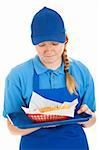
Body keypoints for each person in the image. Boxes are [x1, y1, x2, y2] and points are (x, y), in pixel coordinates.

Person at [3, 7, 96, 150]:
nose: (49, 50)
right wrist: (43, 123)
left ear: (65, 40)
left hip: (74, 145)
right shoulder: (18, 75)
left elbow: (91, 120)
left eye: (54, 44)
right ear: (33, 43)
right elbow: (12, 127)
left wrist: (89, 117)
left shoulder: (80, 72)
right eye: (42, 45)